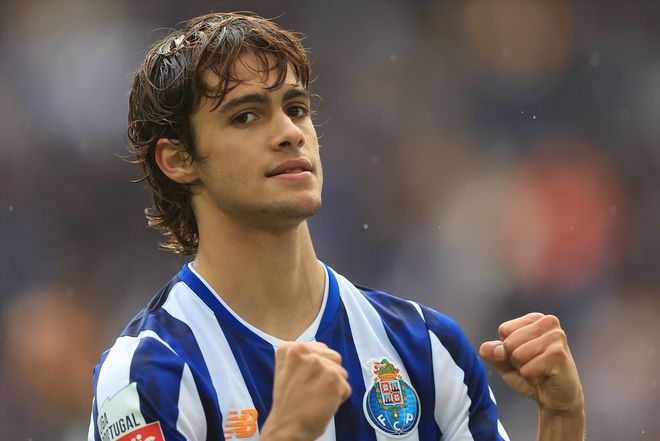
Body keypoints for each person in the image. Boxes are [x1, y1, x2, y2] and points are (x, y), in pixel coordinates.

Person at [88, 12, 585, 441]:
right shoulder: (145, 373)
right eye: (246, 117)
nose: (289, 133)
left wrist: (562, 418)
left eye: (296, 109)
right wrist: (287, 431)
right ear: (178, 159)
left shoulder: (425, 346)